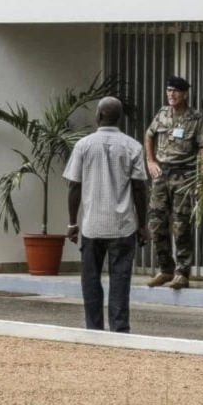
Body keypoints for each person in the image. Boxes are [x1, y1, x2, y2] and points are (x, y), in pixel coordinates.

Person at [64, 96, 150, 333]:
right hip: (123, 226)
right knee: (120, 280)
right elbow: (140, 188)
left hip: (92, 226)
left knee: (90, 280)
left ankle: (94, 328)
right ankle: (119, 329)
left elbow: (74, 186)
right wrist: (143, 225)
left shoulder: (84, 145)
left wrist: (73, 223)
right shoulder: (132, 146)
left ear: (99, 116)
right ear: (119, 117)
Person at [144, 76, 203, 289]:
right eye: (169, 90)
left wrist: (201, 177)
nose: (171, 94)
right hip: (162, 175)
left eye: (175, 91)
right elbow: (149, 135)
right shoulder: (162, 113)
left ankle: (182, 273)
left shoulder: (196, 117)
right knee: (156, 224)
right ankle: (165, 269)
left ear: (185, 94)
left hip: (184, 175)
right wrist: (150, 160)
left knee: (181, 226)